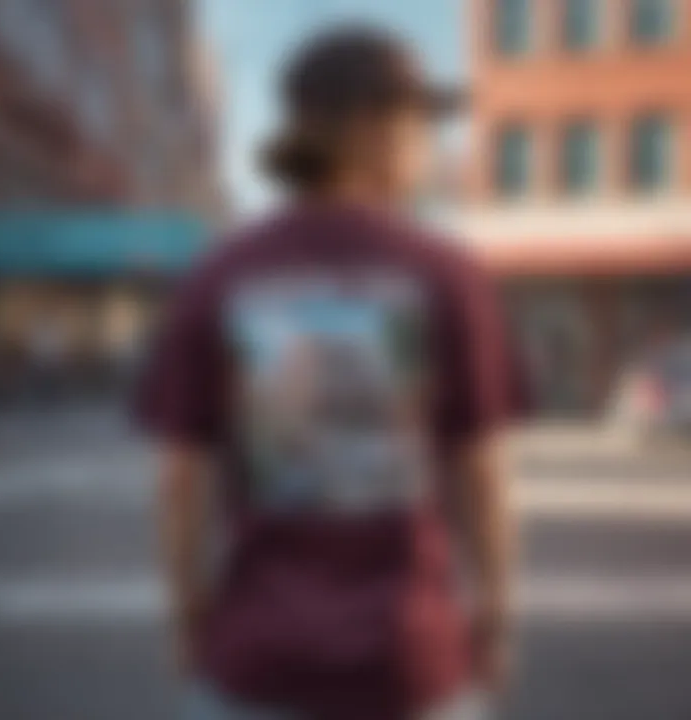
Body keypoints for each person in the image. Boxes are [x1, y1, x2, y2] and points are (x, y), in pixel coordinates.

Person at [135, 25, 523, 720]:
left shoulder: (221, 273)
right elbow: (481, 472)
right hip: (410, 664)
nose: (428, 142)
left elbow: (179, 479)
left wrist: (189, 616)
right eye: (419, 122)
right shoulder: (446, 274)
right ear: (371, 125)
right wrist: (494, 614)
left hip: (255, 660)